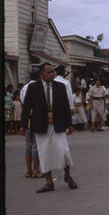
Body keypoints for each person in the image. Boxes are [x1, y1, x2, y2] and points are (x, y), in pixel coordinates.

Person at [19, 62, 77, 193]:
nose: (52, 74)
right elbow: (27, 108)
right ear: (41, 74)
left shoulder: (60, 87)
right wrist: (23, 125)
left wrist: (70, 124)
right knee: (44, 153)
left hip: (58, 125)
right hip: (41, 125)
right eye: (49, 72)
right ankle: (49, 183)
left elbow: (66, 107)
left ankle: (68, 176)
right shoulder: (33, 88)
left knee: (64, 151)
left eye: (53, 72)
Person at [20, 69, 41, 178]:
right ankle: (36, 170)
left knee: (28, 145)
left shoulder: (24, 88)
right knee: (36, 145)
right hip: (35, 117)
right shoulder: (37, 87)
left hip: (26, 117)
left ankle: (28, 170)